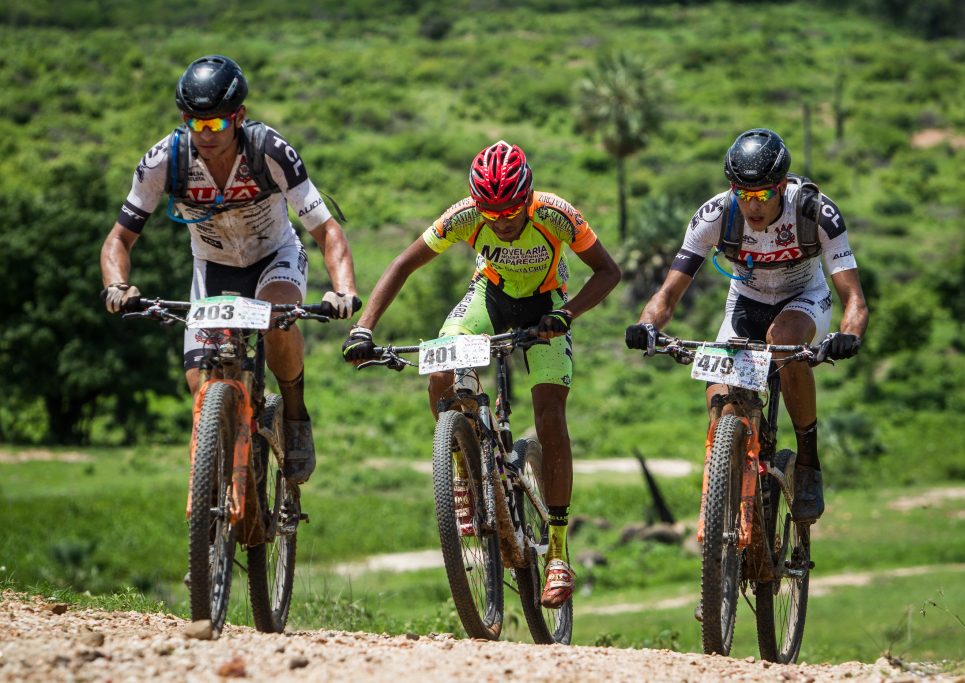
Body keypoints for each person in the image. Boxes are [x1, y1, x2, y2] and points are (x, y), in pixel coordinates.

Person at [342, 140, 620, 607]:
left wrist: (567, 314)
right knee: (440, 369)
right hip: (488, 297)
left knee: (550, 414)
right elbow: (403, 264)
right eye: (491, 213)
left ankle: (557, 552)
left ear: (528, 198)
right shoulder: (464, 216)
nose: (502, 221)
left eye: (511, 211)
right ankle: (465, 470)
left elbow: (608, 272)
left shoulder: (555, 214)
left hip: (547, 305)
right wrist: (362, 328)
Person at [100, 54, 358, 485]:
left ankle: (295, 415)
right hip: (213, 268)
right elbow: (118, 239)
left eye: (216, 123)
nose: (205, 134)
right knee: (199, 386)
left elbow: (327, 230)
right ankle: (221, 490)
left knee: (277, 320)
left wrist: (343, 290)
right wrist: (116, 285)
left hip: (274, 257)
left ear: (238, 117)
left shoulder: (269, 151)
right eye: (194, 123)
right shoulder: (165, 160)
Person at [625, 127, 868, 524]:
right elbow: (667, 293)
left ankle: (808, 461)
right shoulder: (715, 216)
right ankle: (732, 500)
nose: (752, 205)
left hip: (804, 298)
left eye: (763, 195)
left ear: (782, 186)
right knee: (721, 401)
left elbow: (854, 297)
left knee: (782, 339)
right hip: (745, 303)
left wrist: (849, 335)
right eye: (743, 194)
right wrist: (646, 324)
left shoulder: (814, 212)